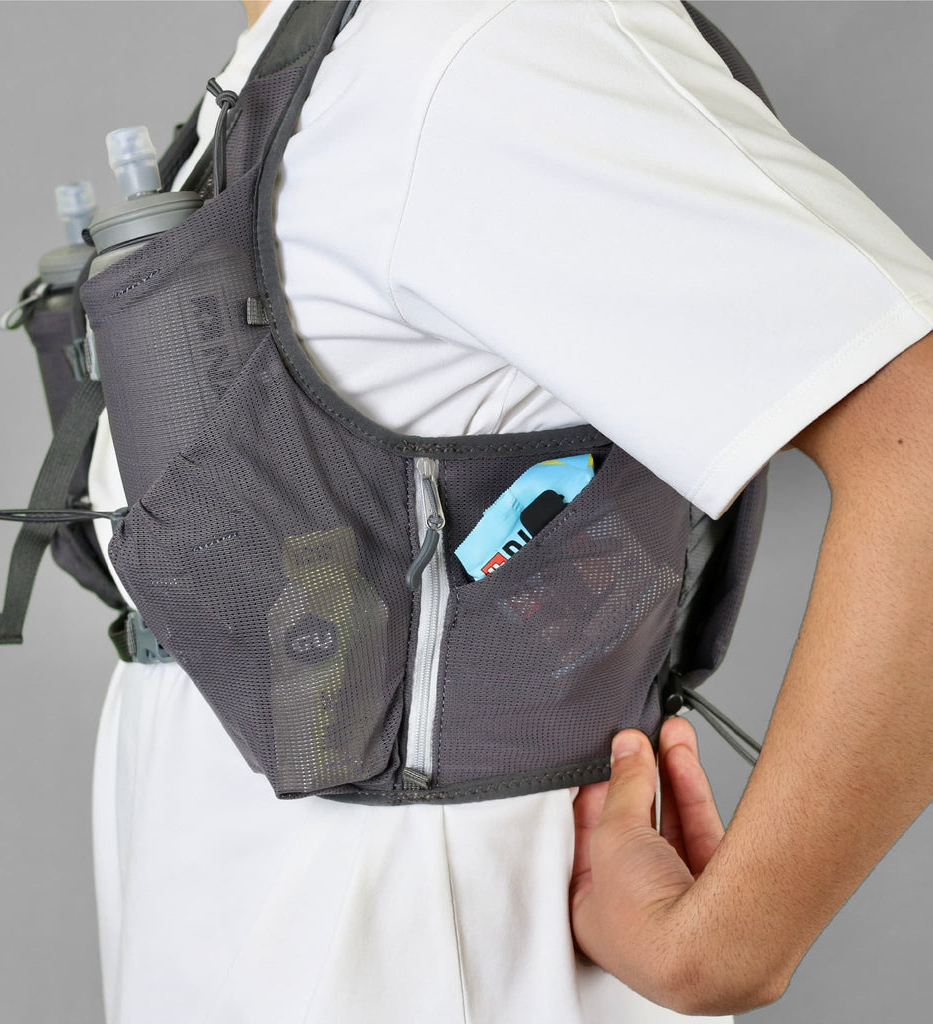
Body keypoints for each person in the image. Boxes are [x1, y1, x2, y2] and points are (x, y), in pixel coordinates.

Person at [86, 2, 933, 1021]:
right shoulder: (317, 48)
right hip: (238, 882)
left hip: (416, 920)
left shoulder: (482, 42)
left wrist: (730, 945)